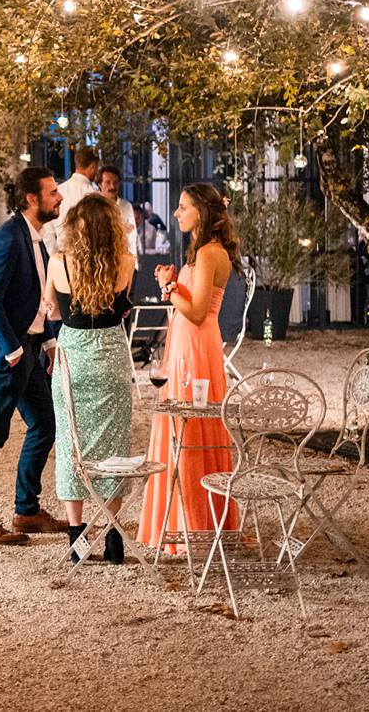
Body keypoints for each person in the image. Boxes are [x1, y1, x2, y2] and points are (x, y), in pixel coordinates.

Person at [0, 167, 66, 546]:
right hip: (8, 355)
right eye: (53, 192)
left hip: (31, 349)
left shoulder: (35, 238)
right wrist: (14, 350)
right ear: (31, 199)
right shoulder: (6, 239)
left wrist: (49, 344)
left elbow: (38, 300)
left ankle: (26, 510)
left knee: (45, 423)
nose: (60, 197)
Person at [138, 183, 241, 551]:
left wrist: (169, 288)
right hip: (185, 345)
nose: (177, 213)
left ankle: (195, 525)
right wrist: (174, 284)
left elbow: (197, 312)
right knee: (179, 428)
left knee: (192, 430)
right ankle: (176, 521)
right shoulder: (201, 252)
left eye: (183, 207)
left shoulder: (212, 253)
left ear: (202, 211)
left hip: (197, 348)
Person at [43, 194, 135, 565]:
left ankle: (76, 537)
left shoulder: (58, 262)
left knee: (70, 445)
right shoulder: (125, 262)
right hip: (111, 357)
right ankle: (114, 537)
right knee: (113, 448)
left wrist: (58, 306)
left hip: (73, 361)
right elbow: (124, 302)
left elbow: (49, 308)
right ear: (110, 227)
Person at [42, 146, 101, 257]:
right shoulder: (96, 196)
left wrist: (55, 257)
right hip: (88, 259)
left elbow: (47, 230)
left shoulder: (58, 191)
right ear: (93, 166)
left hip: (61, 257)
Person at [97, 164, 140, 257]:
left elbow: (132, 238)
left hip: (124, 261)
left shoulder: (127, 206)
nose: (112, 186)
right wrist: (120, 229)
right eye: (108, 182)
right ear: (100, 184)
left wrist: (134, 265)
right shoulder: (94, 208)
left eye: (115, 182)